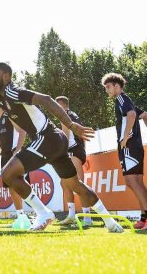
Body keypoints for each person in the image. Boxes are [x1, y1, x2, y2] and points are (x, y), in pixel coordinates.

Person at [0, 63, 124, 232]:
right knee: (75, 185)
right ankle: (111, 222)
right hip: (54, 141)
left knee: (8, 173)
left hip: (48, 138)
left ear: (6, 76)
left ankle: (43, 213)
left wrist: (70, 124)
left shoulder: (13, 91)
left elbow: (46, 99)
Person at [101, 74, 147, 230]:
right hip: (131, 146)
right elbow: (146, 115)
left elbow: (132, 115)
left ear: (116, 85)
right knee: (134, 182)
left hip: (129, 147)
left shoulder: (122, 99)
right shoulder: (126, 102)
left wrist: (125, 137)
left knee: (133, 181)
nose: (106, 90)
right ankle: (144, 217)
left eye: (108, 87)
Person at [53, 97, 94, 227]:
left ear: (62, 105)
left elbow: (64, 136)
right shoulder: (73, 115)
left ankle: (87, 219)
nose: (53, 107)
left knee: (79, 185)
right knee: (64, 183)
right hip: (76, 151)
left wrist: (60, 153)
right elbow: (82, 136)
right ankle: (71, 215)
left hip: (72, 151)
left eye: (55, 105)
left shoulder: (65, 115)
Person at [0, 110, 26, 217]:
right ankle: (20, 214)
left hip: (14, 153)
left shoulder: (9, 115)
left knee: (18, 184)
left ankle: (34, 212)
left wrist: (17, 150)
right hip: (5, 155)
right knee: (10, 185)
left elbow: (22, 132)